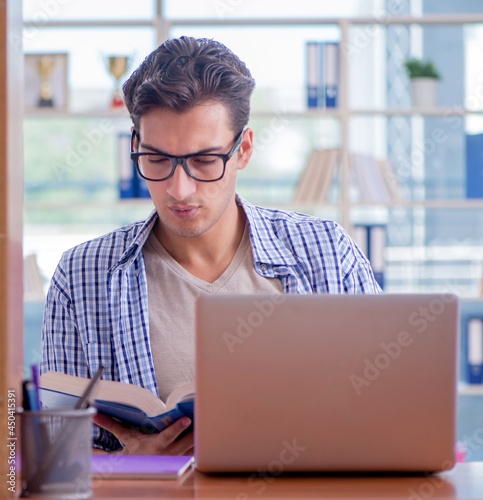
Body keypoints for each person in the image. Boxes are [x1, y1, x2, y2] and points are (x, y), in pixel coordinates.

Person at [41, 36, 382, 455]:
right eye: (157, 159)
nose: (179, 189)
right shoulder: (81, 276)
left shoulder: (328, 252)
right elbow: (52, 454)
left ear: (244, 150)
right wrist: (130, 465)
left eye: (204, 161)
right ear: (135, 147)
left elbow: (384, 412)